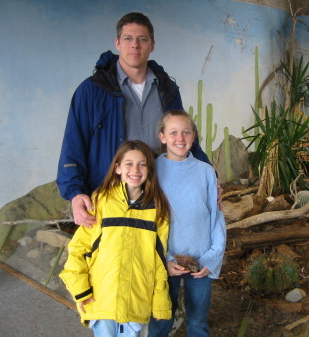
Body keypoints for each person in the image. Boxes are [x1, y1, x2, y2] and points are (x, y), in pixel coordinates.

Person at [56, 12, 210, 228]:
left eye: (142, 39)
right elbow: (73, 144)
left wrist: (209, 177)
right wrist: (75, 193)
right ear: (117, 43)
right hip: (109, 197)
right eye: (128, 39)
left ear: (152, 45)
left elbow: (183, 138)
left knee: (157, 256)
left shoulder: (167, 90)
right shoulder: (91, 91)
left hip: (159, 193)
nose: (135, 45)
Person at [60, 140, 172, 337]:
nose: (135, 169)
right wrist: (80, 289)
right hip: (102, 300)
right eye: (129, 163)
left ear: (149, 169)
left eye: (142, 164)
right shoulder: (101, 201)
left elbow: (160, 259)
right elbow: (79, 247)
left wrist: (160, 300)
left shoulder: (158, 209)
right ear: (118, 168)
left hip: (137, 303)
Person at [148, 110, 226, 337]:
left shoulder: (206, 171)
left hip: (200, 262)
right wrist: (164, 259)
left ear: (193, 136)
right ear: (162, 137)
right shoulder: (152, 171)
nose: (180, 138)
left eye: (186, 132)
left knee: (197, 321)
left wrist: (211, 258)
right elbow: (147, 221)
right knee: (160, 319)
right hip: (165, 260)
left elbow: (216, 218)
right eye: (173, 133)